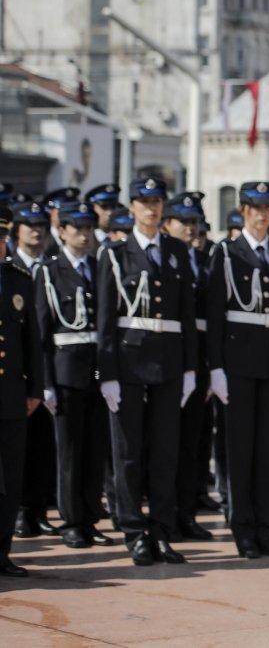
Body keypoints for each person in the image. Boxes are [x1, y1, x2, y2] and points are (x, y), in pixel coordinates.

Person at [95, 177, 198, 566]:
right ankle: (134, 532)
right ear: (133, 207)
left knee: (165, 453)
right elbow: (105, 320)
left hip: (169, 362)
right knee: (128, 454)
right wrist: (105, 374)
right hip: (128, 363)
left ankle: (162, 531)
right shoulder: (115, 254)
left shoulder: (175, 250)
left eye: (157, 202)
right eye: (144, 202)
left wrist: (190, 368)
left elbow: (186, 313)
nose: (152, 209)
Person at [207, 182, 269, 559]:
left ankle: (265, 526)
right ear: (243, 210)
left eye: (268, 208)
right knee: (241, 451)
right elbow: (215, 315)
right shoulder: (227, 254)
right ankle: (242, 528)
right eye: (255, 208)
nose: (263, 215)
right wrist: (215, 368)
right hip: (238, 364)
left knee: (268, 451)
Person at [32, 201, 114, 549]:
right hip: (65, 371)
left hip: (96, 369)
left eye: (88, 227)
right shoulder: (49, 271)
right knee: (69, 451)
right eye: (76, 227)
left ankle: (90, 518)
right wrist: (45, 382)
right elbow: (40, 332)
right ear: (62, 230)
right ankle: (70, 521)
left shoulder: (99, 267)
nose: (84, 234)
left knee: (95, 450)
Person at [161, 192, 214, 543]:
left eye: (196, 223)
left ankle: (186, 513)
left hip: (199, 366)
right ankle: (165, 518)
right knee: (166, 446)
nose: (192, 229)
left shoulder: (203, 261)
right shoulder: (162, 259)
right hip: (168, 363)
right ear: (168, 225)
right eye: (185, 223)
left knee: (193, 444)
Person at [8, 201, 56, 539]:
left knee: (42, 448)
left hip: (46, 373)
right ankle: (23, 513)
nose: (36, 231)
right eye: (29, 225)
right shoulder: (14, 273)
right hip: (15, 379)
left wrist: (42, 383)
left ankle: (37, 510)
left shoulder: (46, 269)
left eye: (41, 225)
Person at [0, 206, 44, 577]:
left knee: (11, 479)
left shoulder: (18, 279)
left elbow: (32, 340)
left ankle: (2, 553)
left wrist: (35, 388)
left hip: (12, 395)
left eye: (2, 239)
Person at [40, 187, 80, 258]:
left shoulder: (82, 237)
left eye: (72, 210)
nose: (69, 214)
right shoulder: (42, 239)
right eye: (64, 209)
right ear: (50, 211)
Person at [85, 183, 121, 248]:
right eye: (104, 207)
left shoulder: (124, 237)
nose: (110, 212)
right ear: (92, 209)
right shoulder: (85, 240)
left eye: (113, 207)